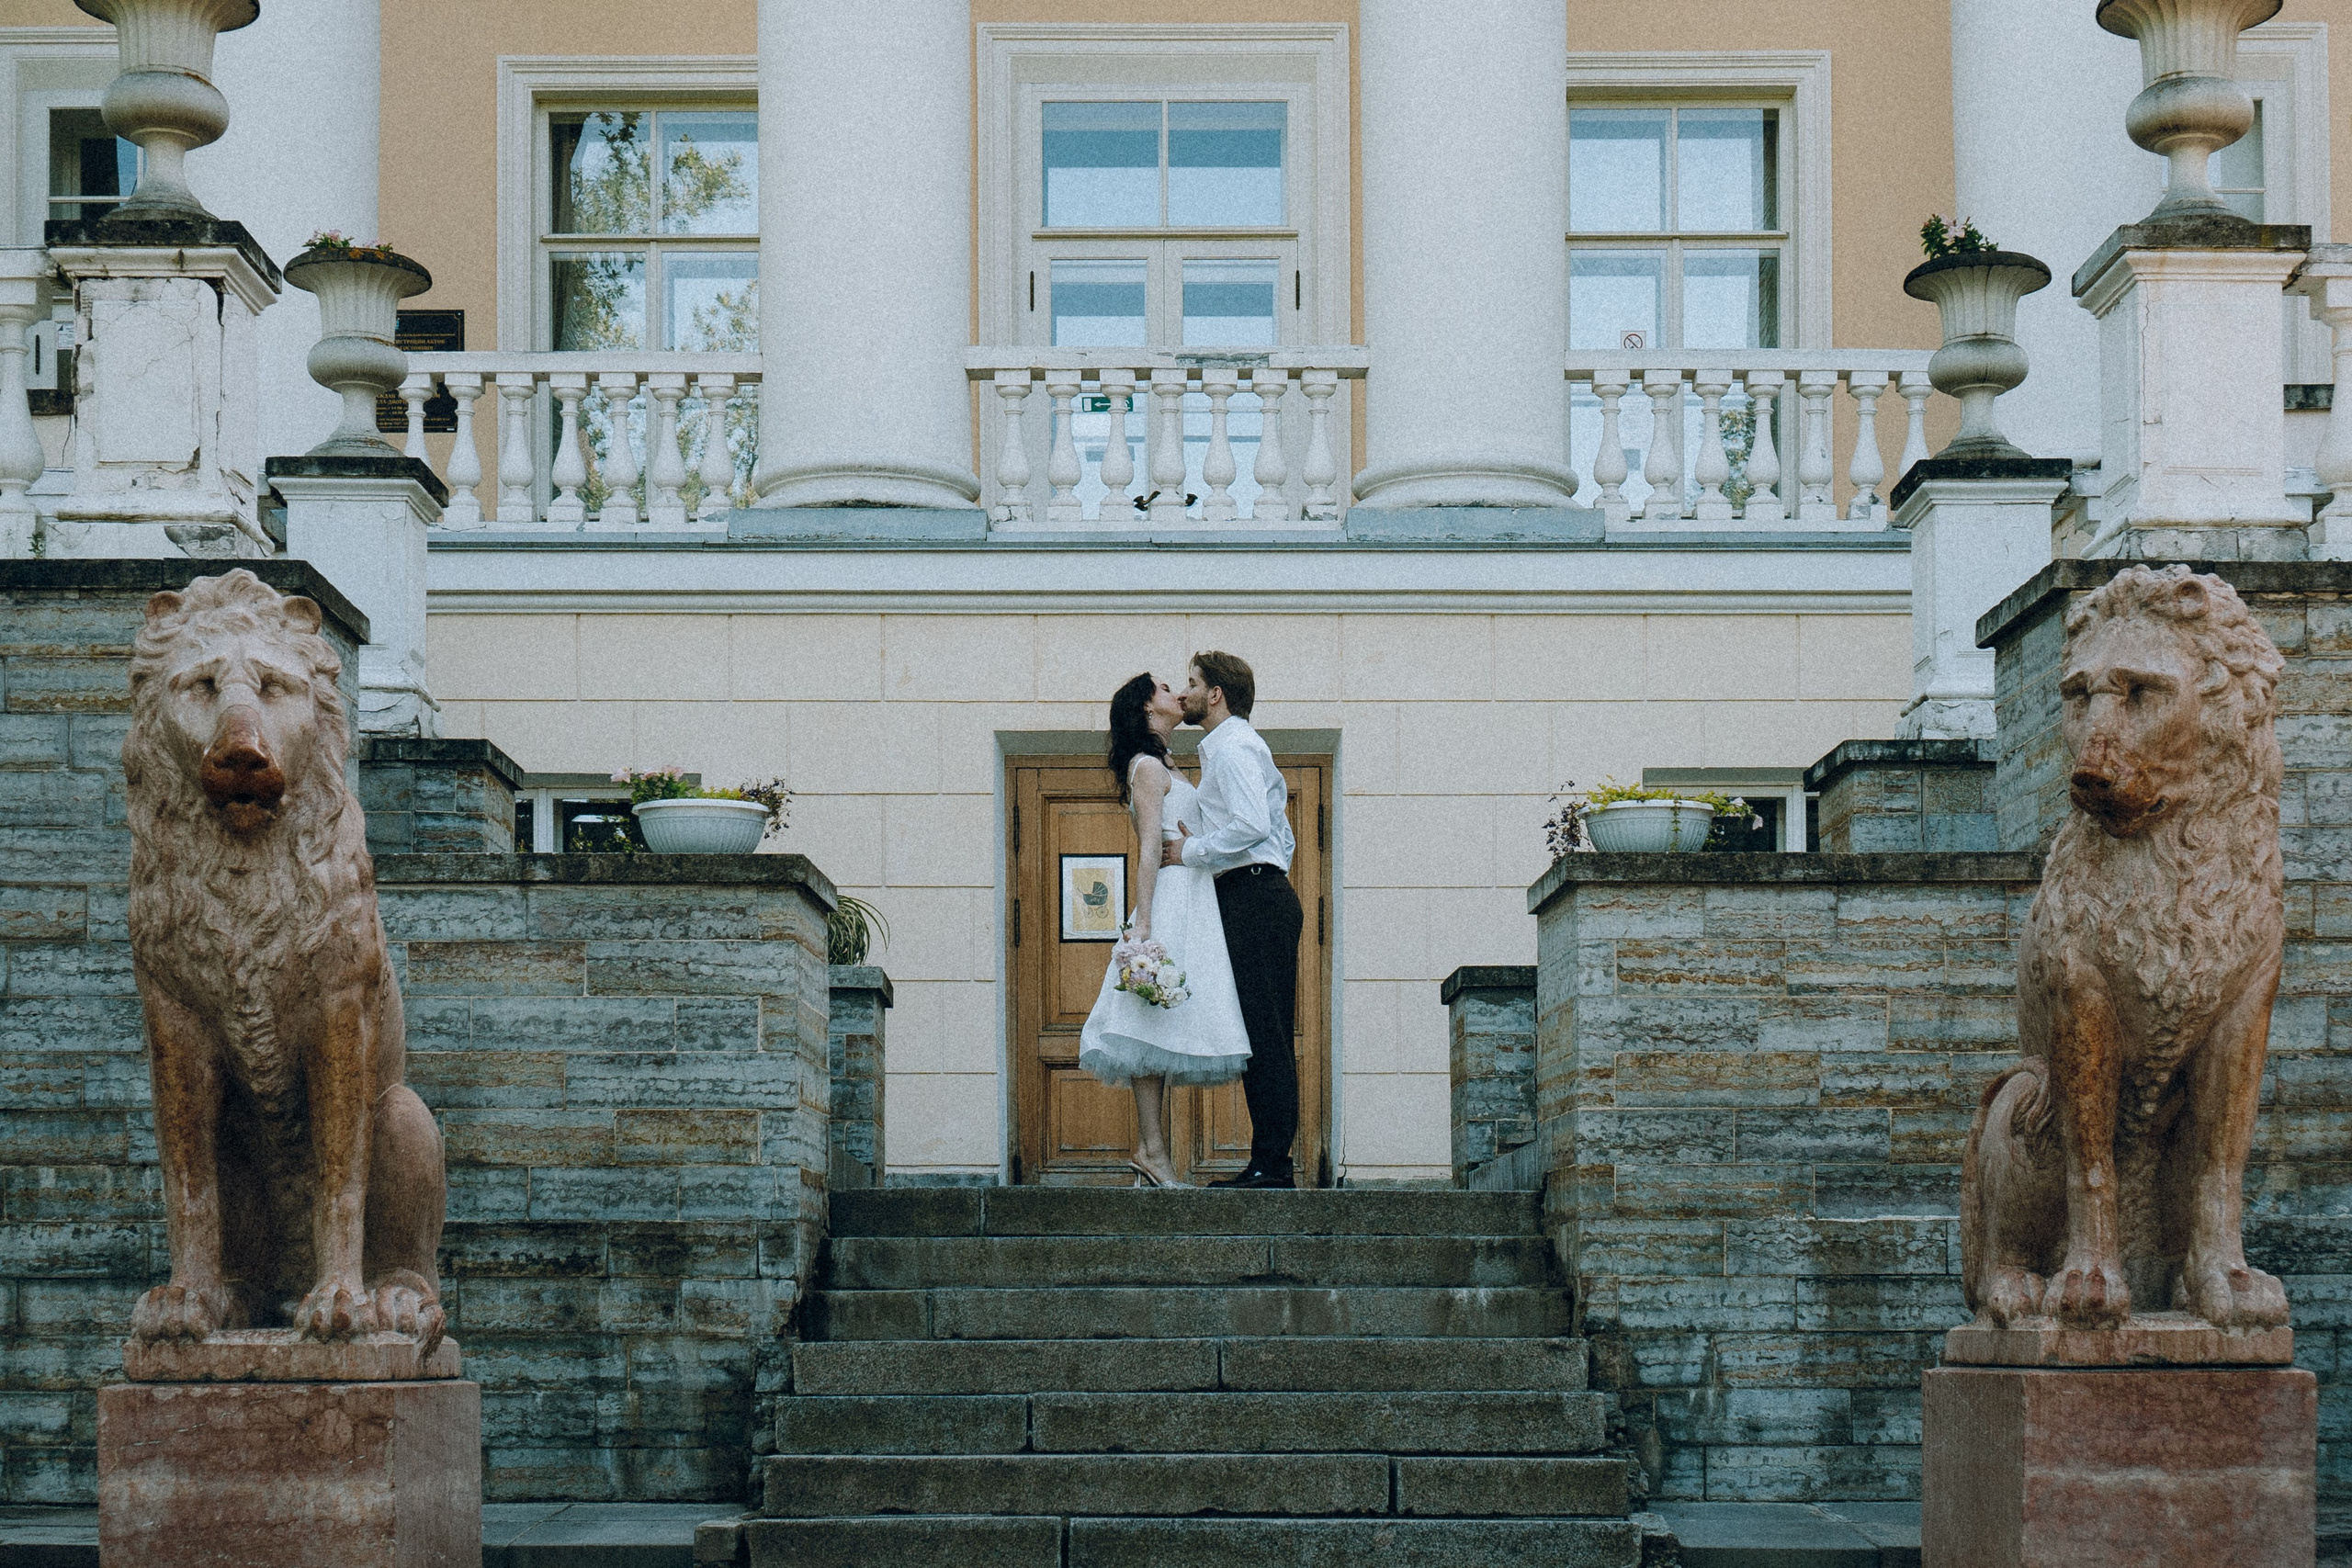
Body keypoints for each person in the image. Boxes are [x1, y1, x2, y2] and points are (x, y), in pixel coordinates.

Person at [1077, 672, 1251, 1188]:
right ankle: (1154, 1152)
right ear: (1147, 709)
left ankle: (1150, 1155)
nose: (1177, 693)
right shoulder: (1148, 767)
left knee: (1164, 1024)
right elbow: (1150, 844)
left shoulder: (1168, 763)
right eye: (1164, 688)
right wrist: (1145, 924)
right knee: (1147, 1024)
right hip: (1171, 899)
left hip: (1193, 898)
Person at [1165, 651, 1302, 1189]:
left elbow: (1249, 823)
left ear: (1216, 694)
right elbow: (1279, 832)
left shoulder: (1235, 746)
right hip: (1256, 894)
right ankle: (1268, 1161)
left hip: (1254, 897)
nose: (1184, 692)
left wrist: (1193, 851)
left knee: (1266, 1034)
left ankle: (1273, 1165)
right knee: (1260, 1031)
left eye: (1193, 684)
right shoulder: (1229, 749)